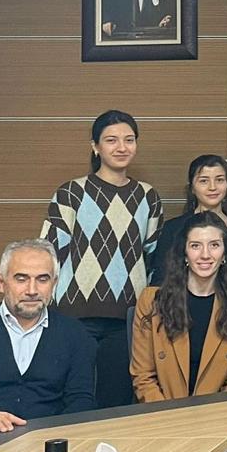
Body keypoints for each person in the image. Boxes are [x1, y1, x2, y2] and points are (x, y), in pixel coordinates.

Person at [39, 109, 161, 409]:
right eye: (111, 140)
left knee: (115, 402)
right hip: (73, 314)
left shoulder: (148, 196)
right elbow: (48, 253)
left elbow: (153, 257)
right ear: (95, 146)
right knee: (74, 398)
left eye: (129, 140)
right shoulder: (71, 193)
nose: (122, 147)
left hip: (127, 317)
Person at [0, 239, 96, 437]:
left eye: (43, 280)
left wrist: (56, 439)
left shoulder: (75, 333)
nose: (32, 290)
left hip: (47, 441)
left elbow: (80, 399)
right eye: (21, 279)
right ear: (1, 283)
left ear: (54, 284)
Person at [131, 212, 227, 401]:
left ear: (225, 254)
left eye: (214, 245)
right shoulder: (151, 301)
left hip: (216, 412)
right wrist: (168, 414)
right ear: (184, 253)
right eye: (195, 246)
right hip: (162, 411)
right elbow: (143, 377)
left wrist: (210, 415)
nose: (205, 255)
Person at [149, 154, 227, 285]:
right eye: (204, 181)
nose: (212, 187)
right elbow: (160, 280)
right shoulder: (172, 229)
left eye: (219, 180)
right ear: (192, 188)